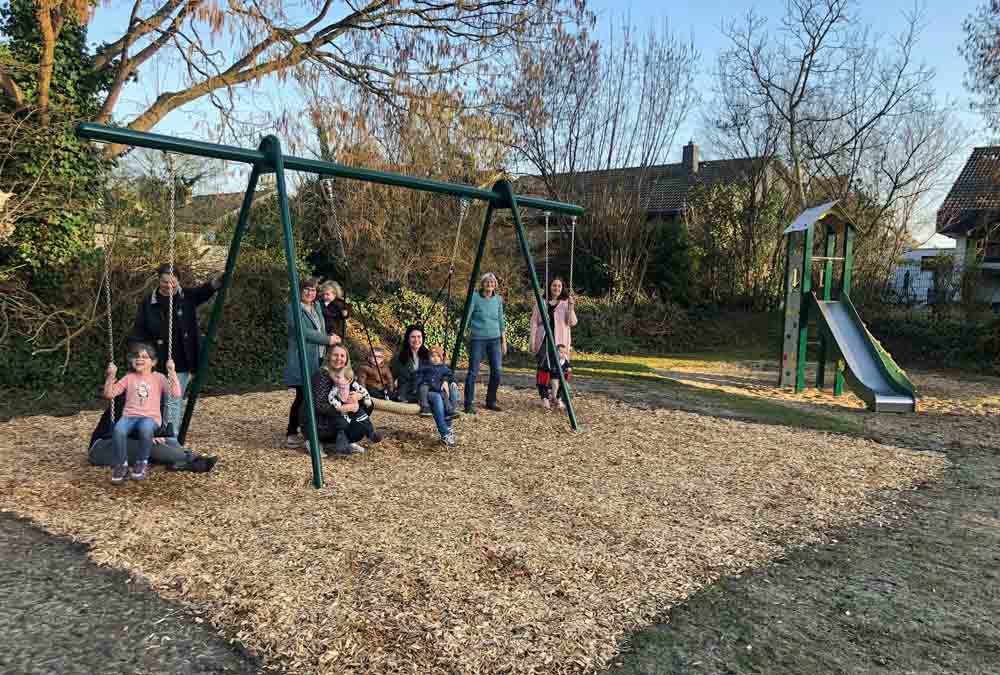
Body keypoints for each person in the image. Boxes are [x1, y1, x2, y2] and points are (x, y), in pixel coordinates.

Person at [131, 263, 223, 436]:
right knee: (159, 400)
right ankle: (157, 436)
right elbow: (140, 331)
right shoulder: (149, 303)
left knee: (173, 400)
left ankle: (170, 438)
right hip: (158, 361)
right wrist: (141, 356)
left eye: (173, 282)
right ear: (158, 281)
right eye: (165, 282)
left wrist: (218, 281)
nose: (169, 286)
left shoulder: (186, 296)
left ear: (178, 282)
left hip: (183, 360)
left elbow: (205, 290)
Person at [102, 342, 182, 484]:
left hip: (150, 418)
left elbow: (176, 393)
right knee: (119, 430)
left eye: (145, 357)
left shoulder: (159, 378)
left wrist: (172, 371)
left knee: (145, 429)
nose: (139, 359)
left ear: (154, 362)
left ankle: (141, 462)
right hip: (129, 416)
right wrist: (110, 375)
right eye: (136, 356)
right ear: (132, 361)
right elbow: (109, 394)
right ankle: (121, 465)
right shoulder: (128, 378)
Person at [88, 393, 218, 473]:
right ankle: (193, 460)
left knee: (169, 441)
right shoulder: (126, 399)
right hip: (103, 447)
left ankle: (180, 461)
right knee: (151, 447)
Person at [284, 277, 340, 448]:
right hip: (302, 357)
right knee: (302, 396)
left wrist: (330, 337)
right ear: (299, 291)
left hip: (317, 356)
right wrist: (326, 339)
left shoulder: (316, 307)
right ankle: (291, 431)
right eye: (306, 289)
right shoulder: (294, 308)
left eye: (314, 290)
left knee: (315, 395)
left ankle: (310, 428)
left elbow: (322, 326)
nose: (310, 293)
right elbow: (303, 331)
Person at [311, 345, 381, 455]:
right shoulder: (322, 374)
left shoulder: (347, 375)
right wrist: (343, 408)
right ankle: (316, 440)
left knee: (365, 409)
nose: (339, 358)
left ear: (346, 359)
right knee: (342, 421)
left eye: (342, 356)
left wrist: (359, 396)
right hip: (322, 420)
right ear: (329, 357)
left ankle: (350, 439)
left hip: (344, 415)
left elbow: (361, 394)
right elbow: (319, 405)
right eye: (335, 355)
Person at [530, 276, 578, 408]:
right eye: (554, 285)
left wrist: (571, 308)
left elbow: (572, 322)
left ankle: (558, 398)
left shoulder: (566, 302)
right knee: (544, 368)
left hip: (560, 342)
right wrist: (531, 340)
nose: (556, 288)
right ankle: (544, 397)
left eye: (559, 286)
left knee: (562, 369)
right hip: (544, 339)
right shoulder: (542, 302)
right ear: (549, 287)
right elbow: (534, 322)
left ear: (562, 288)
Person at [463, 272, 506, 414]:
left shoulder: (498, 299)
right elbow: (467, 315)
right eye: (487, 282)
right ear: (482, 284)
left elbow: (501, 320)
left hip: (495, 339)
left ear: (495, 285)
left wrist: (503, 340)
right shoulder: (474, 298)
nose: (490, 284)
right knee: (473, 371)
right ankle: (468, 404)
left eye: (492, 282)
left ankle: (491, 401)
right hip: (478, 338)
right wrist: (463, 333)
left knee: (497, 371)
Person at [414, 345, 459, 447]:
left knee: (451, 390)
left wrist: (448, 381)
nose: (435, 358)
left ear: (441, 358)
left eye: (437, 356)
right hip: (428, 391)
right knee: (437, 397)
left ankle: (449, 414)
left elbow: (451, 376)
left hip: (439, 390)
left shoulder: (444, 368)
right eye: (432, 356)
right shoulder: (425, 368)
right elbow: (418, 380)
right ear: (429, 358)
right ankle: (445, 432)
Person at [390, 324, 430, 404]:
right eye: (413, 337)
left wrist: (446, 381)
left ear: (423, 338)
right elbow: (390, 376)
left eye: (419, 337)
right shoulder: (399, 357)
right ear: (408, 339)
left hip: (424, 392)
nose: (416, 340)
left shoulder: (429, 355)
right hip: (406, 394)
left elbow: (440, 371)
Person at [536, 343, 573, 410]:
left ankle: (559, 399)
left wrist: (569, 368)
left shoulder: (564, 361)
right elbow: (550, 368)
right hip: (553, 377)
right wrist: (554, 369)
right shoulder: (553, 360)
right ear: (556, 352)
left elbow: (568, 366)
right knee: (555, 384)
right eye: (561, 352)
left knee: (566, 386)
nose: (563, 354)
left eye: (564, 353)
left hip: (561, 378)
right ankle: (554, 398)